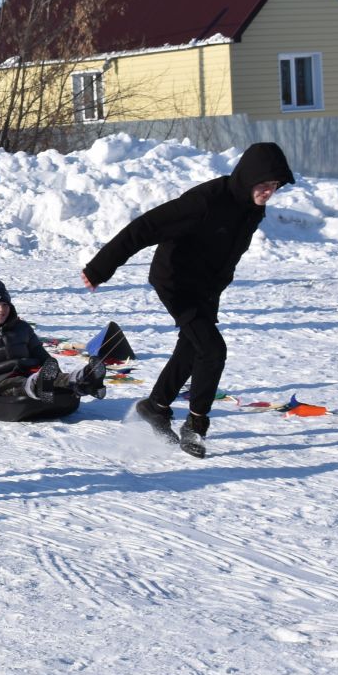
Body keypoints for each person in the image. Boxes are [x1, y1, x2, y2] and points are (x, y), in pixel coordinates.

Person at [82, 142, 296, 457]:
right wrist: (101, 266)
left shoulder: (252, 207)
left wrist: (217, 283)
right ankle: (196, 426)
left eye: (275, 186)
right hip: (176, 282)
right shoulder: (205, 202)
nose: (269, 192)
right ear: (248, 177)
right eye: (264, 184)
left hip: (208, 286)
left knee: (192, 346)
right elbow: (146, 227)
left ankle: (155, 406)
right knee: (212, 350)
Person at [0, 279, 106, 422]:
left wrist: (54, 372)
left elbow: (44, 359)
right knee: (20, 383)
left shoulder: (22, 328)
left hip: (30, 371)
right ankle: (38, 385)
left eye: (5, 304)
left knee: (53, 378)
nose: (1, 309)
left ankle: (82, 381)